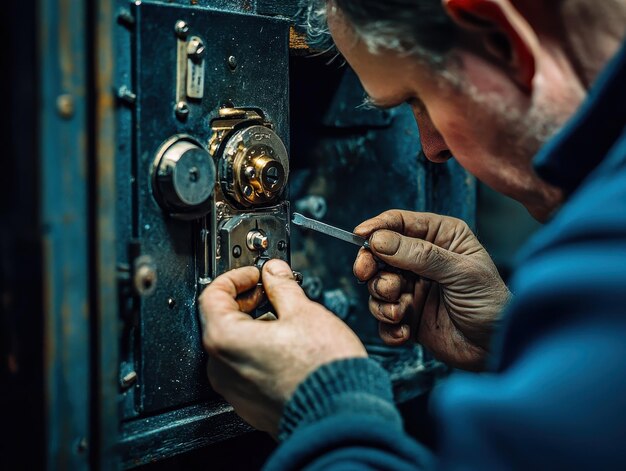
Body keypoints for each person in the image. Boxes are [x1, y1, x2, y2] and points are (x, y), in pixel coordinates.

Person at [199, 0, 626, 468]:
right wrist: (512, 335)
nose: (431, 148)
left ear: (502, 39)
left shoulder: (605, 246)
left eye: (419, 98)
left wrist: (331, 411)